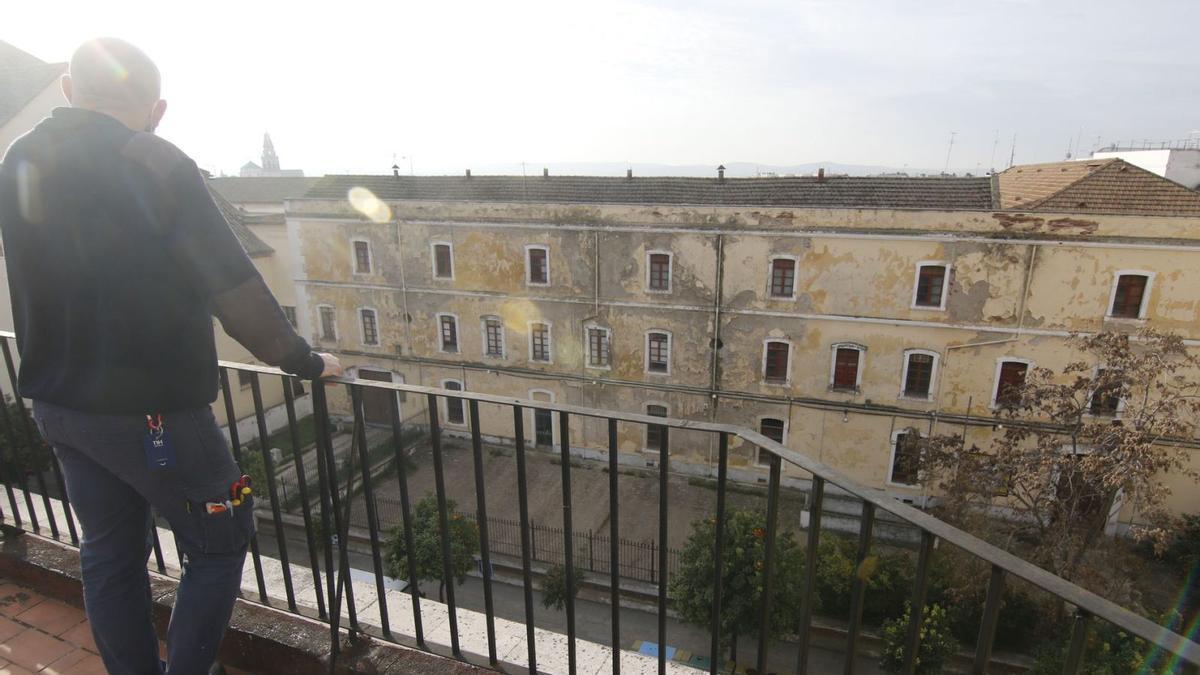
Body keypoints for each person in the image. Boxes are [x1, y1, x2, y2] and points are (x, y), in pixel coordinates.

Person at [0, 38, 341, 674]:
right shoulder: (155, 161)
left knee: (108, 552)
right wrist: (305, 361)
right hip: (150, 411)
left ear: (70, 92)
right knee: (220, 541)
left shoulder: (20, 156)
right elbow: (232, 290)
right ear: (157, 109)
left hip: (57, 402)